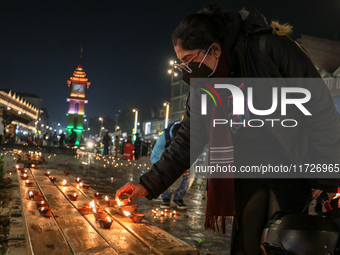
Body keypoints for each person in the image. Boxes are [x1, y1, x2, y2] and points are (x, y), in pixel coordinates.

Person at [116, 5, 340, 254]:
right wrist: (146, 185)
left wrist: (327, 180)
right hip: (246, 174)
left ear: (215, 49)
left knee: (286, 242)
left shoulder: (268, 49)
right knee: (248, 244)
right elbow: (187, 140)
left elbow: (321, 113)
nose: (186, 70)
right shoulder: (203, 83)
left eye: (189, 60)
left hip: (291, 169)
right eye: (181, 64)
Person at [151, 122, 192, 209]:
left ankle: (179, 197)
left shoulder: (189, 138)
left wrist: (184, 167)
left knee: (191, 173)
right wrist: (166, 166)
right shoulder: (164, 138)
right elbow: (154, 156)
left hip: (184, 158)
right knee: (163, 171)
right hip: (167, 158)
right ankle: (166, 198)